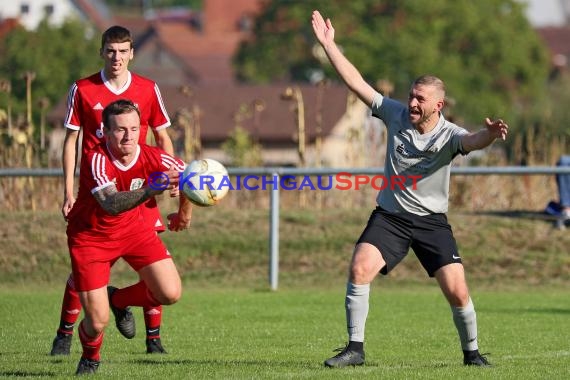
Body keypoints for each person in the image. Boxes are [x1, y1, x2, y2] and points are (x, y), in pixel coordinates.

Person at [311, 10, 509, 368]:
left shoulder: (449, 135)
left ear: (439, 105)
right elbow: (357, 83)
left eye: (421, 98)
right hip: (391, 218)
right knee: (359, 268)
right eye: (411, 96)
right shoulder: (395, 114)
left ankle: (472, 354)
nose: (413, 103)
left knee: (458, 292)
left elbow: (472, 139)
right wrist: (329, 45)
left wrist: (491, 136)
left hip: (431, 223)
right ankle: (354, 349)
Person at [51, 25, 176, 356]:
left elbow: (163, 137)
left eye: (123, 51)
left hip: (139, 182)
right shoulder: (83, 89)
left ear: (132, 53)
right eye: (111, 51)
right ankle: (65, 334)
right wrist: (68, 191)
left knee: (158, 270)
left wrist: (172, 179)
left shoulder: (149, 89)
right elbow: (71, 141)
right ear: (102, 52)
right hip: (99, 187)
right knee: (86, 269)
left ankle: (153, 339)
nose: (117, 57)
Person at [68, 99, 191, 375]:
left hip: (134, 232)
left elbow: (187, 176)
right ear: (105, 132)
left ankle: (119, 300)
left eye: (134, 129)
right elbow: (110, 204)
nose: (129, 136)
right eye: (121, 129)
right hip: (91, 238)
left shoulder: (152, 155)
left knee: (170, 293)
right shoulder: (95, 158)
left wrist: (184, 214)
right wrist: (150, 189)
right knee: (97, 322)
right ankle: (91, 357)